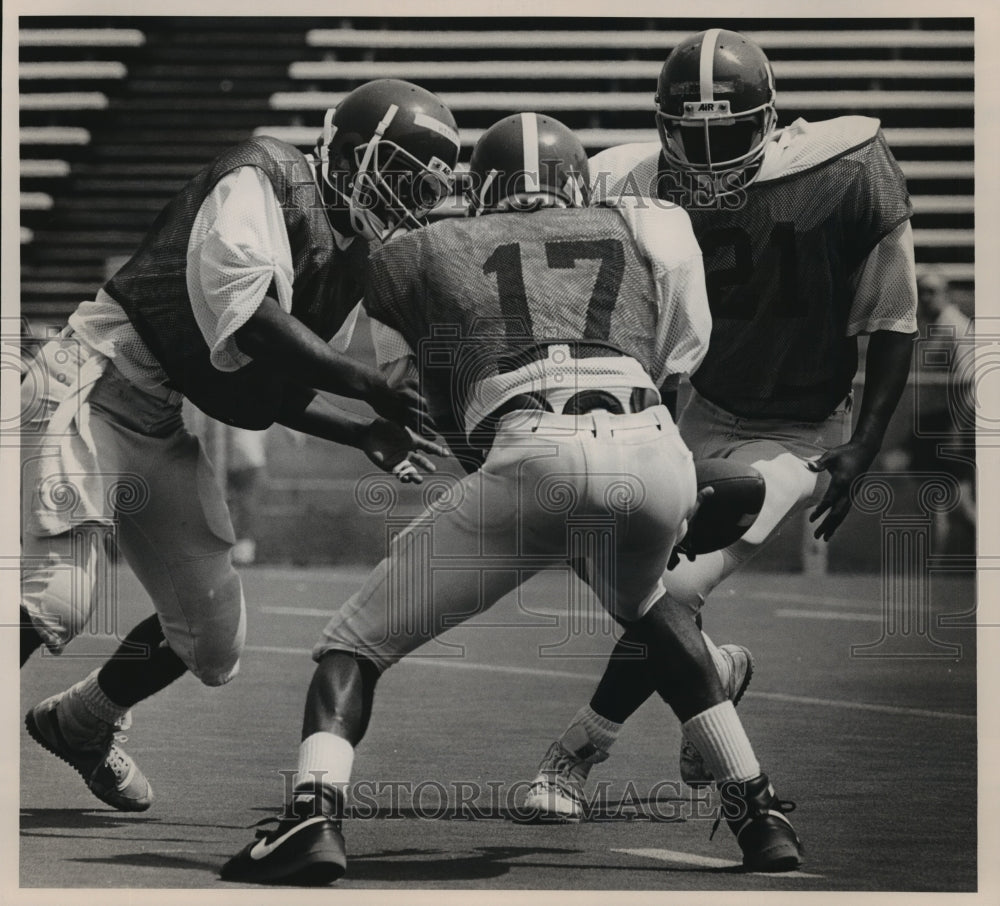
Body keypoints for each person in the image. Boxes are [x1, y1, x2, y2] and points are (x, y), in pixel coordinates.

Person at [220, 111, 801, 885]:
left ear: (479, 186)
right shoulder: (651, 221)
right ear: (577, 183)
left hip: (532, 448)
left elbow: (419, 395)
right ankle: (757, 812)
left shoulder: (418, 250)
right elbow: (678, 356)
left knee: (352, 646)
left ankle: (312, 817)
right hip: (653, 444)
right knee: (657, 615)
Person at [20, 79, 460, 812]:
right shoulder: (266, 174)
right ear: (352, 153)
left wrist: (362, 432)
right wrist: (366, 385)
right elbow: (250, 320)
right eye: (400, 177)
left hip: (158, 418)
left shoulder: (350, 256)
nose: (407, 201)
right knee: (57, 600)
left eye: (422, 189)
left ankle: (80, 723)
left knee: (212, 637)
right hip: (93, 379)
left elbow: (267, 387)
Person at [524, 27, 918, 830]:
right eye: (690, 136)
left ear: (771, 121)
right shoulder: (631, 175)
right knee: (636, 573)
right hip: (696, 405)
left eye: (729, 133)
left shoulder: (845, 173)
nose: (706, 158)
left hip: (801, 426)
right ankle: (713, 669)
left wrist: (865, 442)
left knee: (673, 586)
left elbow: (894, 318)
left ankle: (575, 753)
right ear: (664, 125)